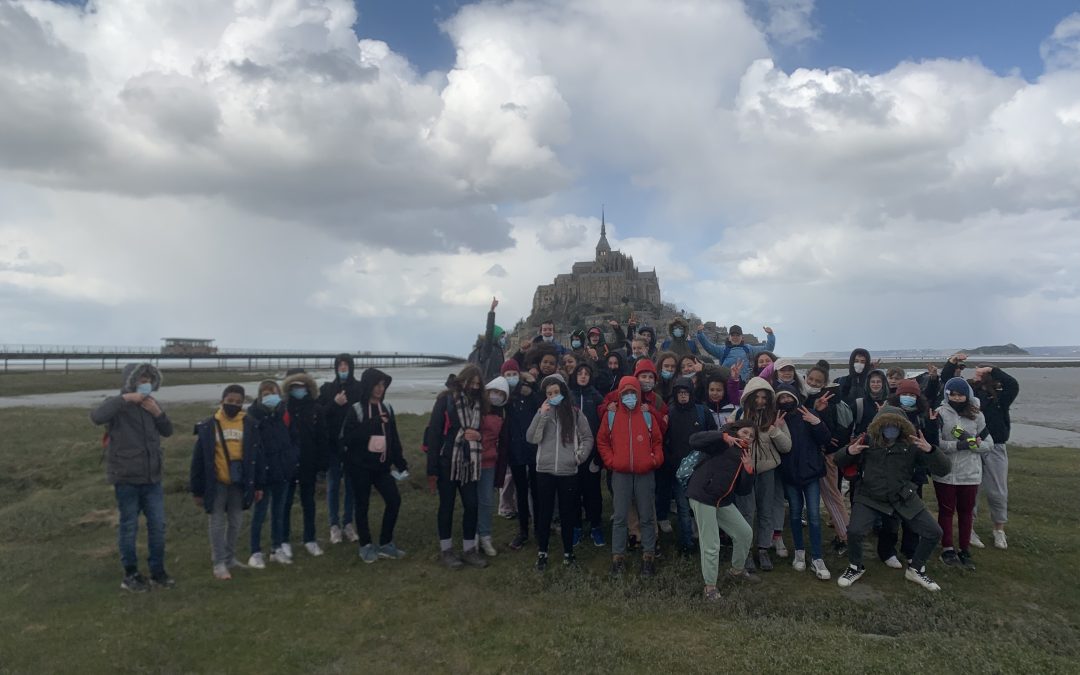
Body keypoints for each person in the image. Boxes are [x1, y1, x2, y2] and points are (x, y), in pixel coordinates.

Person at [834, 405, 949, 592]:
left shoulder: (912, 445)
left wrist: (930, 451)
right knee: (854, 531)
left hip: (902, 496)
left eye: (895, 425)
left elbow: (943, 469)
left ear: (902, 427)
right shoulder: (867, 441)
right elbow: (838, 461)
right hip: (870, 496)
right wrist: (849, 452)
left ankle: (916, 569)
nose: (890, 429)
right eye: (886, 425)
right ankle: (855, 566)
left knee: (934, 531)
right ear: (879, 425)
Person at [90, 363, 175, 591]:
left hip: (152, 478)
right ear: (130, 381)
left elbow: (168, 431)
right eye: (141, 379)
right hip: (126, 478)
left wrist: (158, 414)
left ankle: (158, 572)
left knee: (158, 526)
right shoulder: (117, 404)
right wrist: (126, 398)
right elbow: (97, 417)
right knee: (129, 527)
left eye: (148, 379)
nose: (145, 383)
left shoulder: (152, 404)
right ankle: (131, 574)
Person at [942, 354, 1019, 550]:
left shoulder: (1001, 395)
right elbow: (949, 383)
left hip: (996, 446)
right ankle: (970, 530)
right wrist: (952, 363)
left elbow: (1013, 385)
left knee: (998, 490)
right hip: (969, 447)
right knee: (970, 491)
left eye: (981, 372)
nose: (977, 374)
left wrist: (993, 369)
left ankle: (999, 529)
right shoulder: (970, 393)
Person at [190, 385, 264, 581]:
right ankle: (219, 562)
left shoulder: (250, 424)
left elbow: (257, 456)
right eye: (230, 401)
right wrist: (197, 490)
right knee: (216, 522)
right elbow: (198, 460)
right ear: (222, 400)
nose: (234, 405)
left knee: (236, 521)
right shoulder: (209, 425)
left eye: (238, 402)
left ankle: (230, 557)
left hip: (239, 482)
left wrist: (258, 485)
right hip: (216, 482)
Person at [597, 376, 664, 577]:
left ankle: (648, 557)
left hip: (645, 473)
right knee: (619, 517)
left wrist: (654, 460)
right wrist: (611, 462)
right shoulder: (611, 415)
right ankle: (618, 558)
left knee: (646, 516)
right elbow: (602, 442)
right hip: (621, 473)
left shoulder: (646, 416)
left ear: (638, 393)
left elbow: (658, 442)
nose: (629, 396)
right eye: (625, 393)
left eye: (632, 393)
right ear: (619, 394)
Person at [687, 421, 762, 600]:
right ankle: (710, 587)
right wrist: (722, 436)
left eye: (751, 436)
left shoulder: (745, 454)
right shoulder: (721, 441)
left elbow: (743, 490)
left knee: (744, 533)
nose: (747, 437)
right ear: (736, 431)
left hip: (722, 500)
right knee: (711, 544)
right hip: (703, 495)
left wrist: (749, 470)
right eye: (745, 432)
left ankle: (736, 571)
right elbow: (694, 440)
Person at [341, 368, 409, 563]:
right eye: (376, 384)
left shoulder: (387, 407)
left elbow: (393, 438)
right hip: (359, 466)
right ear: (368, 385)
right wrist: (371, 424)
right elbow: (347, 439)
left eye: (383, 385)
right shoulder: (356, 409)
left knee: (394, 500)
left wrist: (401, 463)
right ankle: (366, 545)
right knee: (362, 505)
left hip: (382, 467)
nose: (380, 388)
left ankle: (386, 543)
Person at [527, 374, 593, 569]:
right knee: (544, 512)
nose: (553, 395)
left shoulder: (574, 413)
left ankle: (568, 553)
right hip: (545, 470)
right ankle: (542, 552)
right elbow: (532, 438)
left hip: (567, 471)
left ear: (563, 391)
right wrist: (542, 415)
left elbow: (587, 437)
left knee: (567, 513)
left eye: (556, 392)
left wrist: (578, 457)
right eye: (549, 393)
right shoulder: (543, 412)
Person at [426, 365, 489, 569]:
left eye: (477, 384)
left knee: (472, 505)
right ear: (462, 381)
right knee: (447, 506)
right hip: (448, 462)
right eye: (471, 383)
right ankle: (447, 550)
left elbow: (482, 431)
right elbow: (434, 434)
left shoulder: (480, 404)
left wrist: (478, 436)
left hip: (470, 463)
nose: (474, 387)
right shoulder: (446, 400)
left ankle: (469, 549)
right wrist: (432, 469)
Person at [730, 377, 791, 573]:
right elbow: (725, 441)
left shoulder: (774, 417)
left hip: (767, 472)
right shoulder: (738, 414)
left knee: (766, 511)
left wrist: (775, 430)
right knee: (746, 512)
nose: (760, 401)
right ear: (748, 397)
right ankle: (746, 550)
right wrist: (730, 429)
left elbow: (787, 447)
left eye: (764, 397)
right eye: (756, 397)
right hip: (744, 471)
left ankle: (763, 548)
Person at [876, 379, 940, 567]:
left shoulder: (923, 416)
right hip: (892, 472)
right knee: (890, 514)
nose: (908, 398)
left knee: (913, 512)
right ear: (898, 396)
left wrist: (933, 425)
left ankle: (910, 548)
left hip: (915, 472)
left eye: (913, 395)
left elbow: (931, 445)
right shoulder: (889, 414)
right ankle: (887, 551)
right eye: (905, 394)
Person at [933, 377, 992, 571]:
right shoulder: (940, 413)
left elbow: (988, 443)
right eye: (953, 394)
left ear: (967, 395)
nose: (957, 398)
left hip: (970, 472)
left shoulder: (977, 415)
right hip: (946, 472)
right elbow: (937, 443)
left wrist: (975, 445)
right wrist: (957, 445)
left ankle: (965, 549)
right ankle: (948, 548)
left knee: (966, 512)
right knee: (946, 510)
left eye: (960, 394)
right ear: (947, 394)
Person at [774, 384, 832, 580]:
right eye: (781, 398)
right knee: (795, 514)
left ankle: (817, 558)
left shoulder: (808, 413)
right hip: (790, 474)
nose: (785, 401)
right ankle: (799, 551)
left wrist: (816, 422)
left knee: (814, 515)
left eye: (788, 397)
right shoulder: (777, 419)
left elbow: (825, 439)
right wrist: (776, 430)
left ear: (796, 397)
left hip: (811, 473)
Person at [247, 380, 300, 568]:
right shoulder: (253, 416)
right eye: (266, 393)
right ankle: (255, 551)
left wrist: (292, 459)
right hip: (263, 474)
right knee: (260, 513)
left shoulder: (282, 414)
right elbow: (252, 448)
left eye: (273, 392)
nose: (270, 396)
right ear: (260, 395)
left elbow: (293, 438)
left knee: (278, 512)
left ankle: (276, 549)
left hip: (283, 471)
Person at [803, 365, 851, 556]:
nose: (813, 383)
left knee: (831, 497)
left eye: (818, 381)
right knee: (832, 495)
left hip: (825, 456)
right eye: (811, 380)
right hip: (816, 455)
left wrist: (816, 411)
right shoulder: (809, 397)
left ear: (824, 384)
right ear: (806, 378)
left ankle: (845, 537)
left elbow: (827, 431)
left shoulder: (826, 400)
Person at [281, 370, 326, 558]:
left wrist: (322, 464)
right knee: (285, 502)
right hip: (287, 463)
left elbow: (323, 437)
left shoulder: (316, 409)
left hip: (309, 462)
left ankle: (310, 539)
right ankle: (283, 540)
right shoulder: (283, 409)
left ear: (308, 387)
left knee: (309, 502)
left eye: (301, 386)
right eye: (294, 387)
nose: (298, 390)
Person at [318, 354, 362, 545]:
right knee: (333, 484)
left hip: (353, 446)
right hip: (332, 445)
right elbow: (320, 415)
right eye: (340, 365)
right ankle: (334, 525)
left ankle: (348, 523)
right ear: (335, 367)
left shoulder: (360, 388)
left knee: (351, 485)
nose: (343, 368)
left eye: (346, 365)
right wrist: (335, 404)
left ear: (351, 367)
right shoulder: (327, 389)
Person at [664, 376, 710, 554]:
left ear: (691, 394)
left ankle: (706, 541)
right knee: (683, 508)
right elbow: (664, 440)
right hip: (678, 471)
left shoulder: (702, 411)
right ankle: (687, 543)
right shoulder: (670, 413)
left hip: (700, 469)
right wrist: (671, 462)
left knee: (701, 509)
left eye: (686, 393)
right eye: (679, 393)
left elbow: (711, 435)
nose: (683, 396)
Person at [503, 359, 543, 551]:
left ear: (519, 374)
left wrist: (532, 389)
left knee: (536, 490)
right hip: (514, 448)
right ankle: (523, 531)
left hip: (533, 447)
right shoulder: (503, 396)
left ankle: (538, 528)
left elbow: (541, 406)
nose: (511, 377)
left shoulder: (529, 391)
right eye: (507, 374)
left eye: (513, 373)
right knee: (520, 490)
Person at [569, 362, 606, 547]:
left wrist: (598, 455)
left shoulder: (596, 397)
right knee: (573, 492)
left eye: (586, 373)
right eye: (580, 373)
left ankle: (596, 526)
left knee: (593, 493)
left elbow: (602, 428)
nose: (583, 376)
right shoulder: (568, 396)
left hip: (591, 454)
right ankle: (576, 527)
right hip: (573, 454)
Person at [478, 376, 510, 556]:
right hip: (471, 461)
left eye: (501, 394)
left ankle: (485, 537)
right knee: (471, 501)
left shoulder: (502, 413)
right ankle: (471, 537)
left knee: (486, 502)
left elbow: (502, 443)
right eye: (494, 392)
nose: (496, 396)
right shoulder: (476, 408)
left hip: (490, 463)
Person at [695, 324, 776, 381]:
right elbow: (709, 347)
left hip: (745, 383)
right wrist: (700, 333)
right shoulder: (722, 350)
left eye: (738, 335)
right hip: (726, 382)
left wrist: (770, 335)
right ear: (729, 337)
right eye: (733, 335)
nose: (735, 337)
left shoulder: (749, 349)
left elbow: (768, 349)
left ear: (742, 337)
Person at [467, 297, 507, 382]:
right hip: (488, 384)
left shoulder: (498, 349)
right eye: (501, 336)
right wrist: (492, 310)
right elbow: (489, 330)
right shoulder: (488, 348)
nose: (503, 339)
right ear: (495, 336)